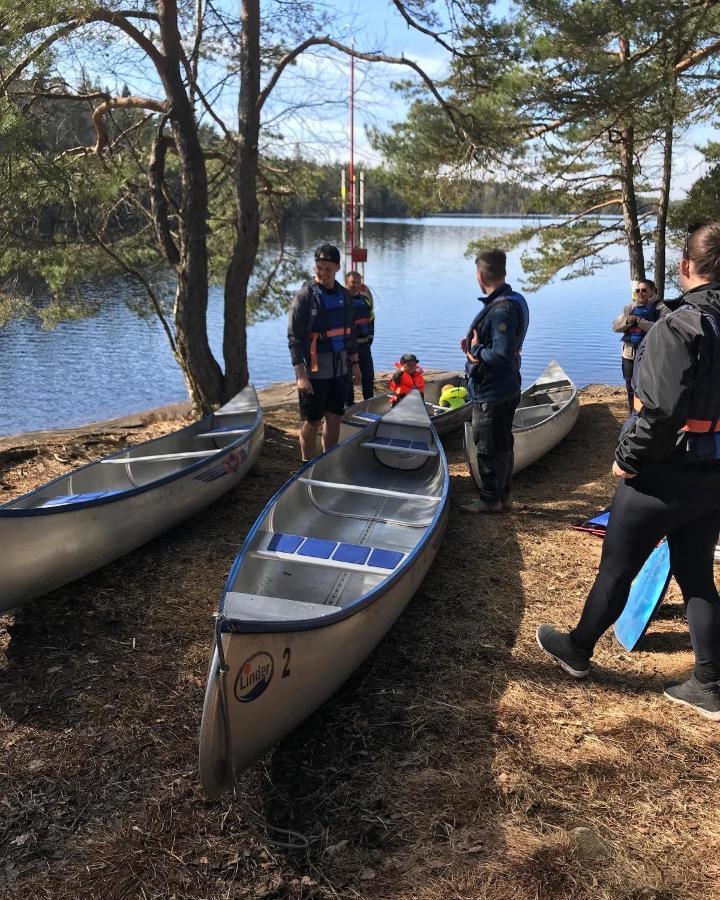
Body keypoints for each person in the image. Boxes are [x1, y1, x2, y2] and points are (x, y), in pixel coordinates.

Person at [536, 221, 720, 720]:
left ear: (685, 268)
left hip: (662, 475)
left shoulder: (677, 326)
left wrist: (628, 459)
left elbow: (658, 413)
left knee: (617, 569)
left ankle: (577, 649)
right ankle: (709, 682)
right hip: (713, 476)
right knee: (697, 574)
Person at [460, 249, 529, 513]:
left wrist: (475, 351)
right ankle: (503, 495)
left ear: (479, 276)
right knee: (502, 443)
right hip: (507, 385)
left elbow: (501, 354)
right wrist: (476, 346)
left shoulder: (501, 309)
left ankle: (490, 499)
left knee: (488, 446)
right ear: (503, 272)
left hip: (493, 390)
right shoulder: (515, 299)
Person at [287, 243, 360, 462]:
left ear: (337, 267)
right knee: (312, 420)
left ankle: (327, 462)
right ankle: (306, 465)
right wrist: (301, 375)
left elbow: (351, 333)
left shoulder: (345, 296)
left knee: (335, 417)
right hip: (314, 369)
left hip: (339, 367)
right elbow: (294, 338)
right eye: (319, 267)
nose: (323, 272)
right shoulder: (305, 297)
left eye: (328, 268)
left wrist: (355, 364)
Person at [612, 279, 660, 412]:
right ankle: (632, 413)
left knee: (647, 386)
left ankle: (647, 414)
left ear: (652, 291)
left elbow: (659, 328)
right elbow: (615, 327)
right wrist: (627, 320)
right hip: (629, 354)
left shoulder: (660, 308)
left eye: (644, 290)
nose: (640, 293)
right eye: (638, 290)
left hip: (648, 355)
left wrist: (639, 321)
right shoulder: (629, 308)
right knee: (629, 385)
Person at [345, 271, 375, 405]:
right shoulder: (342, 302)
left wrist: (369, 340)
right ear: (346, 283)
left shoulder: (365, 300)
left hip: (364, 346)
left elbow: (371, 320)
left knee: (368, 377)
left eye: (358, 282)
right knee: (348, 380)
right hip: (348, 349)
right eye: (353, 283)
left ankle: (369, 404)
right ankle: (348, 406)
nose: (356, 285)